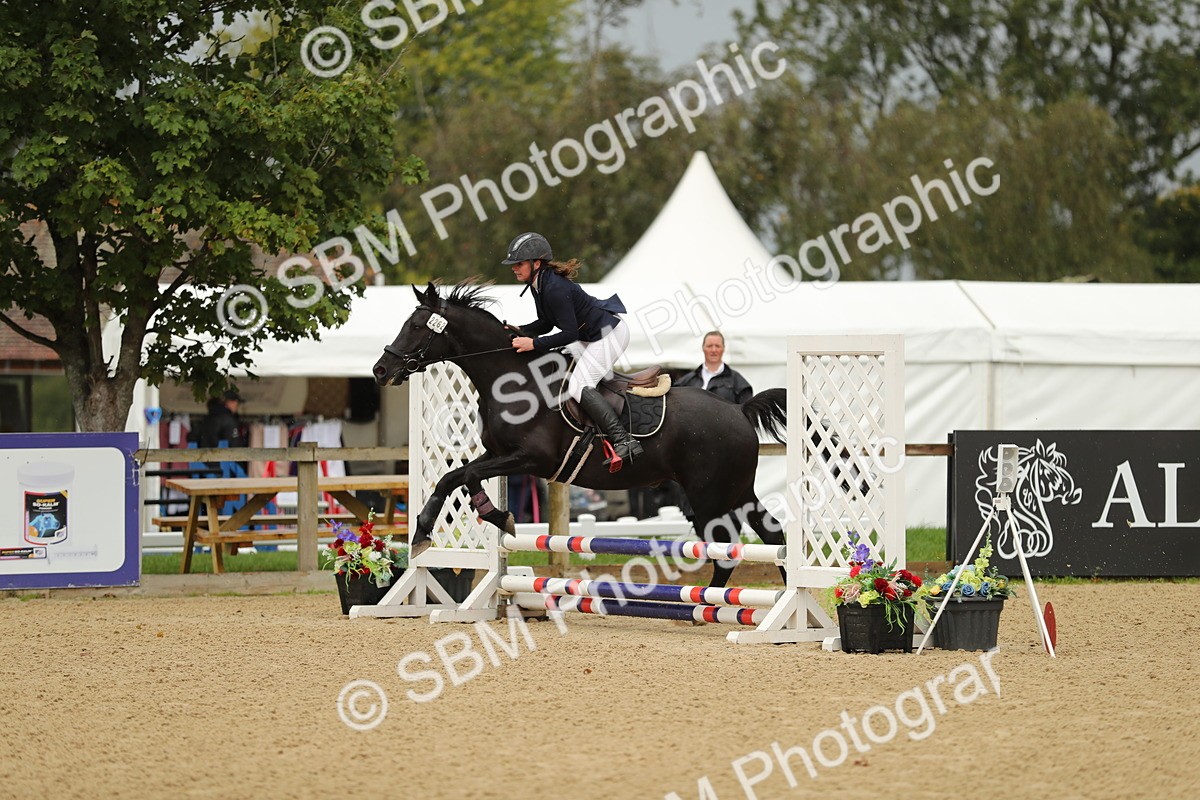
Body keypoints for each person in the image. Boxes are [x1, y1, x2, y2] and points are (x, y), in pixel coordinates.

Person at [504, 231, 643, 467]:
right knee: (556, 367)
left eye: (519, 263)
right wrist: (521, 330)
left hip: (609, 335)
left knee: (579, 385)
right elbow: (547, 323)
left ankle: (623, 439)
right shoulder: (539, 284)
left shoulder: (554, 287)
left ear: (536, 263)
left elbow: (570, 334)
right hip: (590, 335)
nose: (514, 268)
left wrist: (534, 343)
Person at [675, 330, 753, 403]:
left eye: (717, 346)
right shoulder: (686, 382)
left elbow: (747, 413)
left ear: (723, 348)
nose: (713, 350)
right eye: (709, 346)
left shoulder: (739, 383)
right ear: (703, 348)